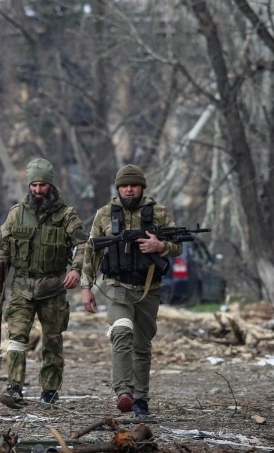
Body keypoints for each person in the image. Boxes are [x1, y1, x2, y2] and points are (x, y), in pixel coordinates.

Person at [80, 164, 182, 417]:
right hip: (116, 287)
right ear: (118, 188)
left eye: (133, 185)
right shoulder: (105, 214)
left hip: (149, 286)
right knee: (122, 331)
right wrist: (86, 287)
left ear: (142, 187)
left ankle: (141, 400)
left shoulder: (159, 212)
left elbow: (177, 246)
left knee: (142, 345)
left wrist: (160, 245)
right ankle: (124, 392)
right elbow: (91, 251)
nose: (128, 189)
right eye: (124, 185)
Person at [0, 158, 88, 405]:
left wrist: (76, 270)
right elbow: (3, 251)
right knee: (16, 338)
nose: (37, 190)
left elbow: (84, 245)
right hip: (22, 288)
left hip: (54, 287)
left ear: (50, 185)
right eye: (33, 184)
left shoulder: (66, 215)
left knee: (53, 340)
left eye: (42, 185)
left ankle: (50, 390)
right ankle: (14, 386)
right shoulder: (16, 214)